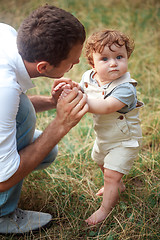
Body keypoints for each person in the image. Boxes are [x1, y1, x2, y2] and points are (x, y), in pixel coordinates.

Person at [0, 5, 88, 234]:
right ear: (43, 67)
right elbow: (2, 179)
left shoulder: (7, 36)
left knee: (44, 150)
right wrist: (61, 124)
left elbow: (8, 106)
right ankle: (2, 215)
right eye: (72, 61)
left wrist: (52, 102)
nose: (77, 63)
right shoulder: (5, 87)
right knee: (26, 121)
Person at [56, 29, 143, 225]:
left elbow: (106, 106)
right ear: (92, 63)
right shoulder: (89, 76)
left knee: (111, 174)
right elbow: (82, 88)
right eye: (105, 58)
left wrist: (78, 99)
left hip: (125, 140)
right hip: (104, 137)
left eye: (119, 57)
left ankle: (105, 209)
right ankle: (116, 185)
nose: (113, 63)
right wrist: (71, 89)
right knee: (99, 160)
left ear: (127, 57)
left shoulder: (125, 88)